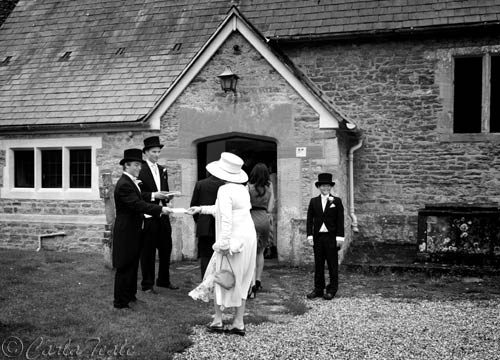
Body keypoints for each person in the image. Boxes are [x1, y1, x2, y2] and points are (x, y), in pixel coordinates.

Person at [187, 152, 256, 336]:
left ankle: (218, 320)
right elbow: (222, 210)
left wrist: (223, 244)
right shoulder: (242, 188)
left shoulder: (224, 190)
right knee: (242, 278)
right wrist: (201, 209)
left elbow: (226, 218)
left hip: (232, 239)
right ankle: (238, 322)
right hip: (247, 238)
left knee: (221, 276)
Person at [112, 148, 171, 310]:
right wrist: (160, 209)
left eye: (140, 165)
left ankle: (131, 297)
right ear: (127, 166)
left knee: (132, 265)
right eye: (136, 165)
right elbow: (136, 205)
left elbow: (141, 198)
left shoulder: (132, 182)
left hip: (135, 229)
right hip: (126, 231)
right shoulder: (124, 184)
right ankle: (120, 303)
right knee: (124, 266)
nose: (139, 168)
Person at [138, 136, 178, 293]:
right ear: (146, 152)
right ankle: (147, 284)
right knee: (147, 251)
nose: (156, 154)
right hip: (148, 216)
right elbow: (139, 194)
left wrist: (169, 195)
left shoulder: (162, 170)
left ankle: (163, 280)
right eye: (154, 152)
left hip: (163, 214)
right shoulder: (140, 169)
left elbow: (164, 190)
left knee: (166, 247)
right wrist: (155, 195)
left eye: (158, 152)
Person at [306, 173, 344, 301]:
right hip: (318, 237)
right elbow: (309, 220)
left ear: (330, 187)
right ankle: (318, 289)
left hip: (331, 237)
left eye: (327, 185)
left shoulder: (336, 201)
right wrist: (310, 235)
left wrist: (340, 237)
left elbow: (340, 220)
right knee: (318, 264)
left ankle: (332, 289)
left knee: (332, 264)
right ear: (319, 187)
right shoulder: (314, 201)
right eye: (323, 186)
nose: (325, 188)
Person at [247, 163, 274, 299]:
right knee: (260, 252)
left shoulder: (248, 186)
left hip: (251, 217)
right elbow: (270, 207)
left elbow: (245, 204)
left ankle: (250, 283)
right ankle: (258, 280)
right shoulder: (269, 186)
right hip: (264, 219)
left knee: (250, 252)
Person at [189, 174, 224, 278]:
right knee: (221, 255)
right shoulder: (224, 185)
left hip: (204, 223)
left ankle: (205, 281)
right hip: (220, 223)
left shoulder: (200, 184)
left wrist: (199, 221)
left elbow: (193, 205)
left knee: (205, 256)